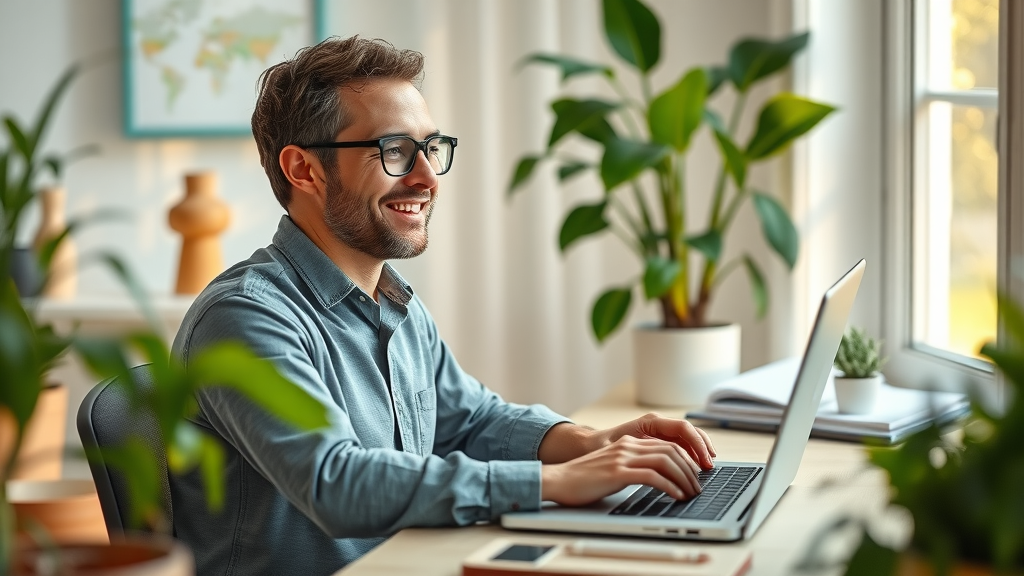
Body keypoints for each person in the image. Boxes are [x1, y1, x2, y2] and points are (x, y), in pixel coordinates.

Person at [170, 35, 716, 576]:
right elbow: (332, 481)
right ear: (304, 170)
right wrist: (554, 482)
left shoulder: (395, 303)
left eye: (430, 148)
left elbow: (470, 420)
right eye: (394, 151)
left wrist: (587, 443)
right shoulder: (245, 318)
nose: (428, 177)